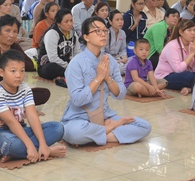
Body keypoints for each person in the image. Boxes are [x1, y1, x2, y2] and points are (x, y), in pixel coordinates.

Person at [61, 16, 152, 146]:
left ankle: (98, 134)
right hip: (78, 118)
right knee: (75, 134)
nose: (103, 34)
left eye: (105, 30)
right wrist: (99, 78)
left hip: (105, 116)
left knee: (144, 126)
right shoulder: (76, 63)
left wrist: (108, 78)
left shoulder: (110, 60)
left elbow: (121, 94)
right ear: (86, 37)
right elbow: (77, 100)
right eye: (97, 31)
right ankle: (110, 129)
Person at [0, 49, 66, 163]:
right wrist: (30, 145)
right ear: (1, 72)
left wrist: (42, 143)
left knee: (58, 128)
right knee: (12, 144)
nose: (18, 75)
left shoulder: (25, 88)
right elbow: (11, 122)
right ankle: (46, 151)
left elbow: (32, 116)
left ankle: (22, 153)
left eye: (22, 71)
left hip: (21, 129)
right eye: (13, 71)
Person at [0, 15, 50, 117]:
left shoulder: (15, 48)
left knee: (44, 93)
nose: (12, 35)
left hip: (12, 93)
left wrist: (13, 62)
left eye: (15, 32)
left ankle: (7, 109)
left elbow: (30, 65)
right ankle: (15, 109)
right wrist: (1, 62)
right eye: (7, 31)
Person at [155, 19, 195, 96]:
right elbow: (178, 70)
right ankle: (194, 87)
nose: (193, 33)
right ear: (181, 32)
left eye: (194, 30)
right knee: (192, 77)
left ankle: (189, 89)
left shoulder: (191, 45)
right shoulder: (172, 46)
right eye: (189, 30)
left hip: (183, 75)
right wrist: (191, 54)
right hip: (165, 77)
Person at [37, 9, 80, 86]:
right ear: (59, 23)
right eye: (66, 22)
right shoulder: (52, 34)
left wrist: (76, 65)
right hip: (49, 64)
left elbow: (77, 53)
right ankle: (69, 75)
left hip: (66, 63)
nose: (70, 24)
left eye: (71, 21)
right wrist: (69, 67)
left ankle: (67, 76)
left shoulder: (73, 34)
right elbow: (53, 58)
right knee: (52, 68)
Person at [105, 9, 127, 75]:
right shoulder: (106, 33)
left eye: (122, 19)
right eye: (117, 20)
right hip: (107, 59)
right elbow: (102, 52)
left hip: (118, 58)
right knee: (120, 69)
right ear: (110, 22)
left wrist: (124, 56)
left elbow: (123, 49)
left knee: (135, 61)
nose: (120, 22)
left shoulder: (122, 33)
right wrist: (118, 61)